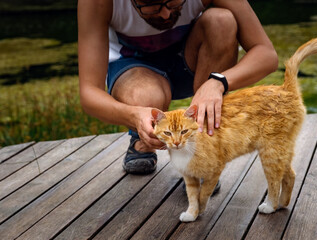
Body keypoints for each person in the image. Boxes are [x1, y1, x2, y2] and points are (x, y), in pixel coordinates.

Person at [77, 0, 278, 175]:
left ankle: (203, 147)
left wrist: (218, 81)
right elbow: (89, 94)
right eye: (150, 6)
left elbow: (267, 54)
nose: (165, 14)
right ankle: (142, 141)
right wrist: (134, 115)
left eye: (174, 2)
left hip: (190, 62)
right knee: (145, 95)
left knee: (222, 21)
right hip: (133, 67)